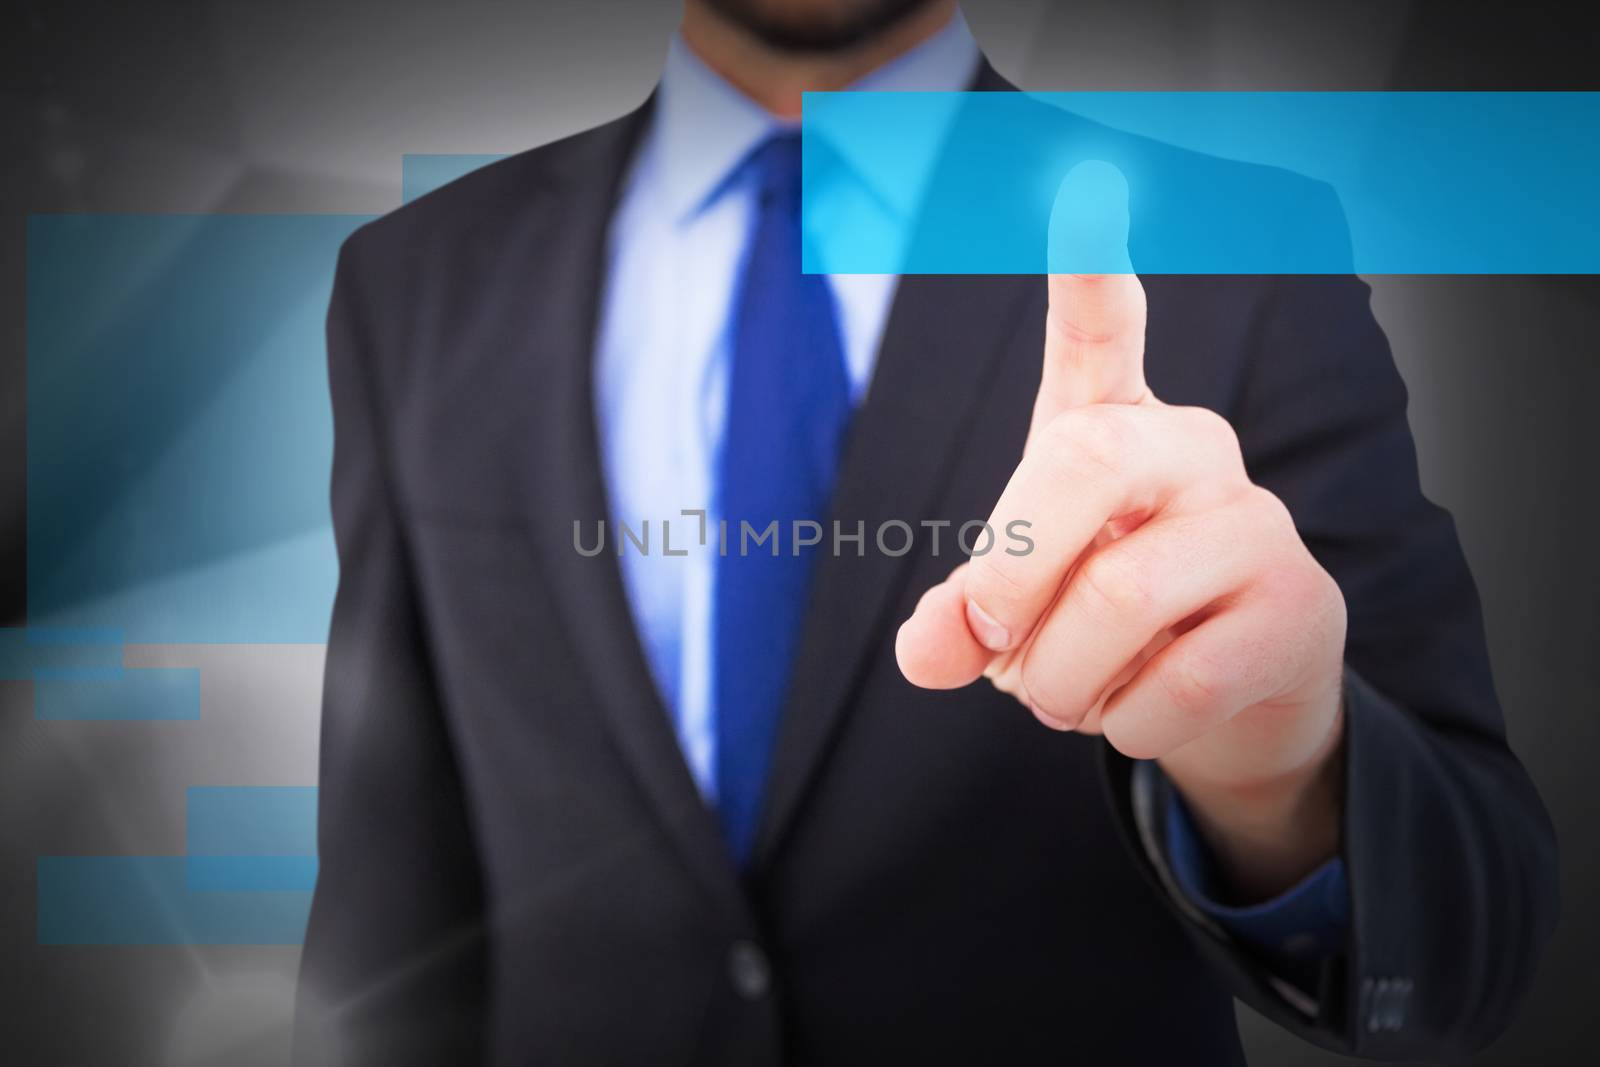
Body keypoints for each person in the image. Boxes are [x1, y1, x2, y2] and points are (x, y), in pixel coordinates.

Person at [294, 2, 1558, 1064]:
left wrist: (1279, 765)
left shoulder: (1236, 251)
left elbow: (1466, 949)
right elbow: (386, 900)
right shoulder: (414, 282)